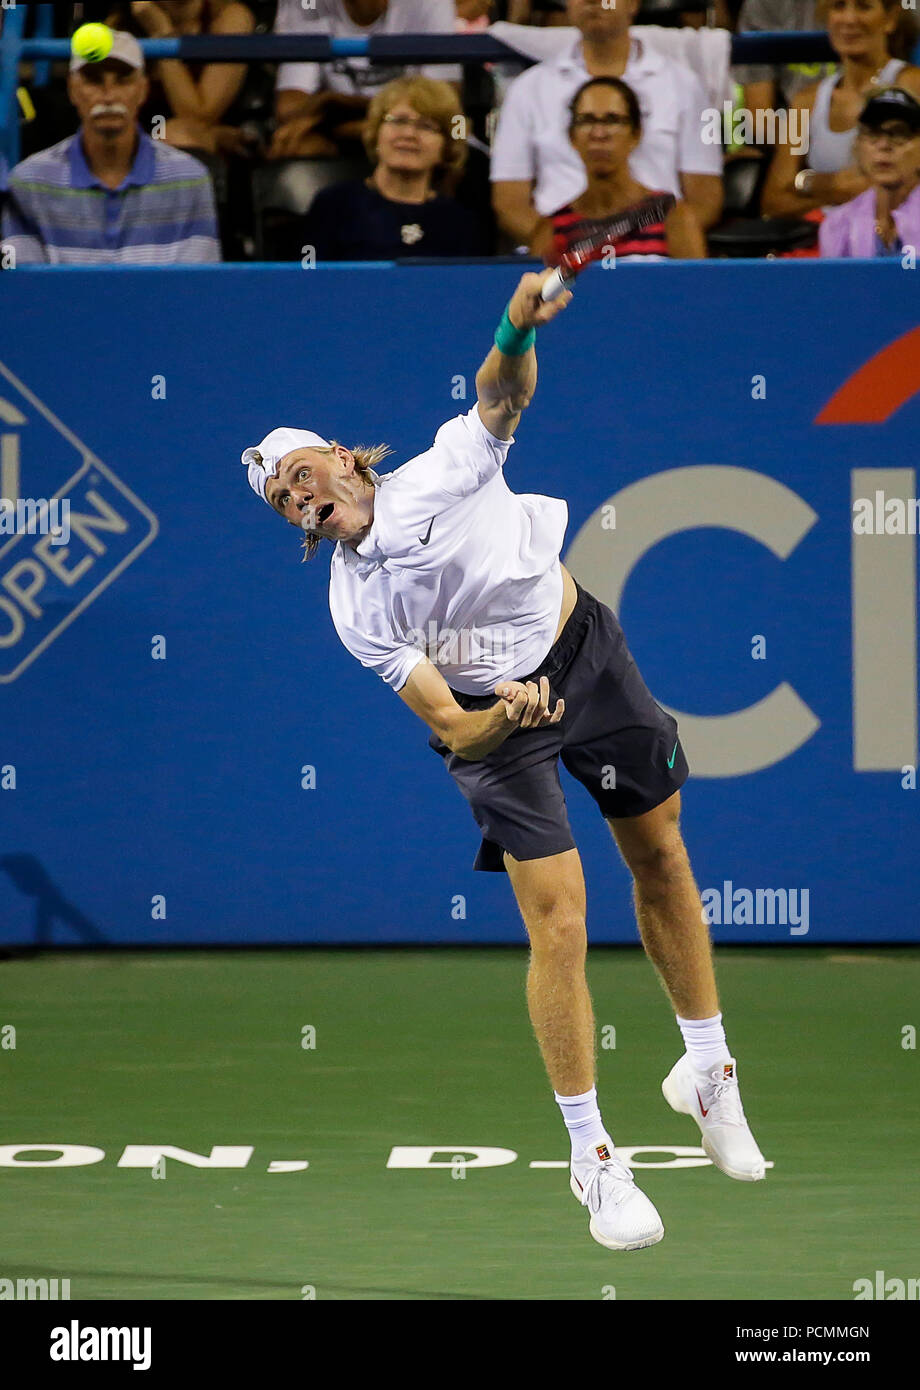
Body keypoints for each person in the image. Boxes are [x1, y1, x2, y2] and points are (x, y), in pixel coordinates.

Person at [239, 269, 766, 1252]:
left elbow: (500, 394)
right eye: (278, 498)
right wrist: (499, 715)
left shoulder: (445, 466)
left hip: (587, 658)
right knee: (558, 921)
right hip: (498, 730)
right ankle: (592, 1157)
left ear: (347, 462)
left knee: (659, 858)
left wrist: (514, 323)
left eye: (299, 473)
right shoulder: (354, 608)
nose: (293, 495)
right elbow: (447, 724)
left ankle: (707, 1069)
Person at [490, 0, 724, 259]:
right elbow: (509, 203)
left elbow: (705, 198)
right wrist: (570, 245)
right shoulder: (526, 89)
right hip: (561, 258)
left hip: (658, 254)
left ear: (633, 4)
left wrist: (658, 238)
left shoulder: (685, 85)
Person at [1, 31, 219, 264]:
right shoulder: (29, 182)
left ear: (143, 90)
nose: (109, 96)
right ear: (72, 90)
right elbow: (27, 291)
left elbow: (196, 290)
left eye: (123, 80)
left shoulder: (190, 179)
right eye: (94, 80)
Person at [761, 0, 920, 217]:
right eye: (839, 6)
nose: (849, 19)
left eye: (863, 7)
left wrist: (811, 184)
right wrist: (835, 188)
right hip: (825, 244)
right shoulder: (805, 101)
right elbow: (773, 201)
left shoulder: (913, 86)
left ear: (890, 19)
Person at [303, 77, 489, 259]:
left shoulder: (460, 222)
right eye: (398, 121)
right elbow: (306, 274)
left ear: (446, 147)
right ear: (376, 134)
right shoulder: (333, 204)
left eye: (426, 126)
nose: (409, 134)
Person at [271, 0, 462, 160]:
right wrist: (355, 124)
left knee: (453, 134)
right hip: (343, 133)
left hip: (412, 127)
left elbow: (444, 105)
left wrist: (335, 104)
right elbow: (289, 108)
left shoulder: (430, 2)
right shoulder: (306, 3)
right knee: (293, 146)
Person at [551, 77, 706, 262]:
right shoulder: (552, 230)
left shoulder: (673, 217)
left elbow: (696, 288)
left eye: (613, 120)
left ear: (636, 133)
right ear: (572, 136)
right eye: (586, 120)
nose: (599, 133)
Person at [106, 0, 257, 156]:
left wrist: (162, 34)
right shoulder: (122, 22)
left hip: (205, 153)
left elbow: (197, 119)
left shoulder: (228, 17)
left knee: (176, 134)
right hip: (136, 145)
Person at [820, 87, 920, 255]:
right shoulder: (838, 225)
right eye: (873, 133)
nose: (884, 145)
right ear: (858, 145)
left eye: (899, 133)